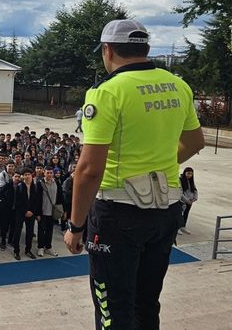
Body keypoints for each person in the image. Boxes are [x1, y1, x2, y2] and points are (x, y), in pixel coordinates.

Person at [64, 19, 205, 330]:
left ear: (108, 50)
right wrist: (160, 162)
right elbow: (196, 141)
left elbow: (89, 170)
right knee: (146, 304)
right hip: (166, 211)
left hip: (118, 213)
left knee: (113, 308)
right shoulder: (178, 85)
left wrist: (76, 226)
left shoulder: (107, 92)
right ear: (147, 49)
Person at [178, 167, 197, 235]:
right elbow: (180, 192)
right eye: (188, 173)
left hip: (190, 200)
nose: (189, 175)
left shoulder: (191, 181)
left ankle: (183, 226)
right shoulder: (180, 180)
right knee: (179, 214)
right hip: (182, 201)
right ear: (185, 173)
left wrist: (195, 198)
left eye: (191, 174)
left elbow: (195, 190)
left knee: (186, 214)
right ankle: (177, 227)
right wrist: (186, 200)